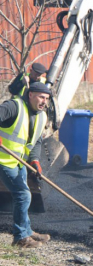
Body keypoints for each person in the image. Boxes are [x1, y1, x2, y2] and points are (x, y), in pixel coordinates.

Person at [1, 82, 51, 248]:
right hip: (4, 160)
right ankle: (21, 238)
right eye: (41, 97)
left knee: (23, 194)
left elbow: (36, 141)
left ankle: (26, 230)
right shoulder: (13, 106)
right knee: (23, 194)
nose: (44, 101)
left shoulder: (42, 115)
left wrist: (34, 160)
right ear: (30, 94)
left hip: (20, 161)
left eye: (47, 98)